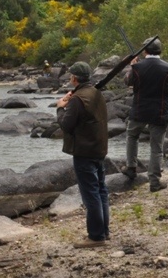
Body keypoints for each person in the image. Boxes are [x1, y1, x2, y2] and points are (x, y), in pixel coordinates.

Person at [56, 61, 110, 248]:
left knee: (91, 194)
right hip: (99, 148)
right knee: (101, 191)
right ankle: (104, 232)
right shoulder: (96, 93)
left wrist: (60, 107)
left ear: (74, 78)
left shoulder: (78, 99)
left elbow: (66, 125)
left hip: (84, 151)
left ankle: (96, 236)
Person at [122, 37, 168, 192]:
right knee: (156, 148)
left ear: (145, 51)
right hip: (160, 111)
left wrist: (132, 66)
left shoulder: (137, 67)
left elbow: (127, 81)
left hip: (139, 109)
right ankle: (154, 182)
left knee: (132, 136)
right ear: (159, 50)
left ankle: (131, 168)